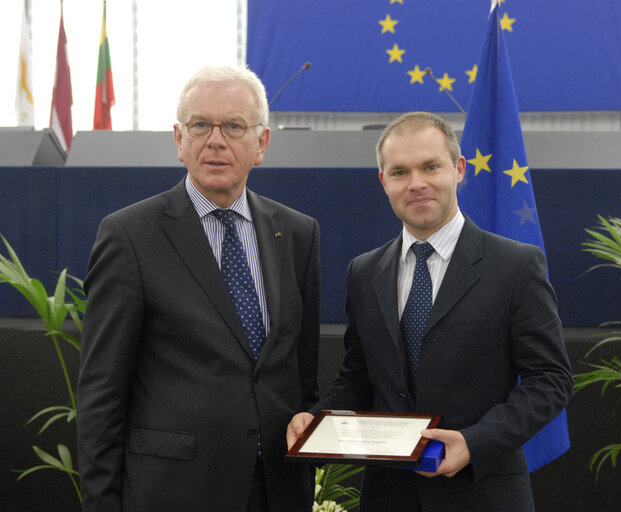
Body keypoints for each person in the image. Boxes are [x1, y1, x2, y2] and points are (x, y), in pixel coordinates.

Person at [287, 112, 572, 512]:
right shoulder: (364, 272)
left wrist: (475, 443)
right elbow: (359, 378)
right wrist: (315, 421)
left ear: (458, 170)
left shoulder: (515, 265)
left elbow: (551, 380)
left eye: (430, 166)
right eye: (400, 172)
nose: (416, 184)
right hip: (388, 497)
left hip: (483, 494)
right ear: (384, 181)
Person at [77, 65, 320, 512]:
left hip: (279, 490)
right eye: (200, 125)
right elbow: (101, 394)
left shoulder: (299, 234)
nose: (216, 140)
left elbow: (302, 378)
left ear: (261, 143)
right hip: (174, 491)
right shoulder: (129, 236)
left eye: (234, 126)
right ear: (179, 140)